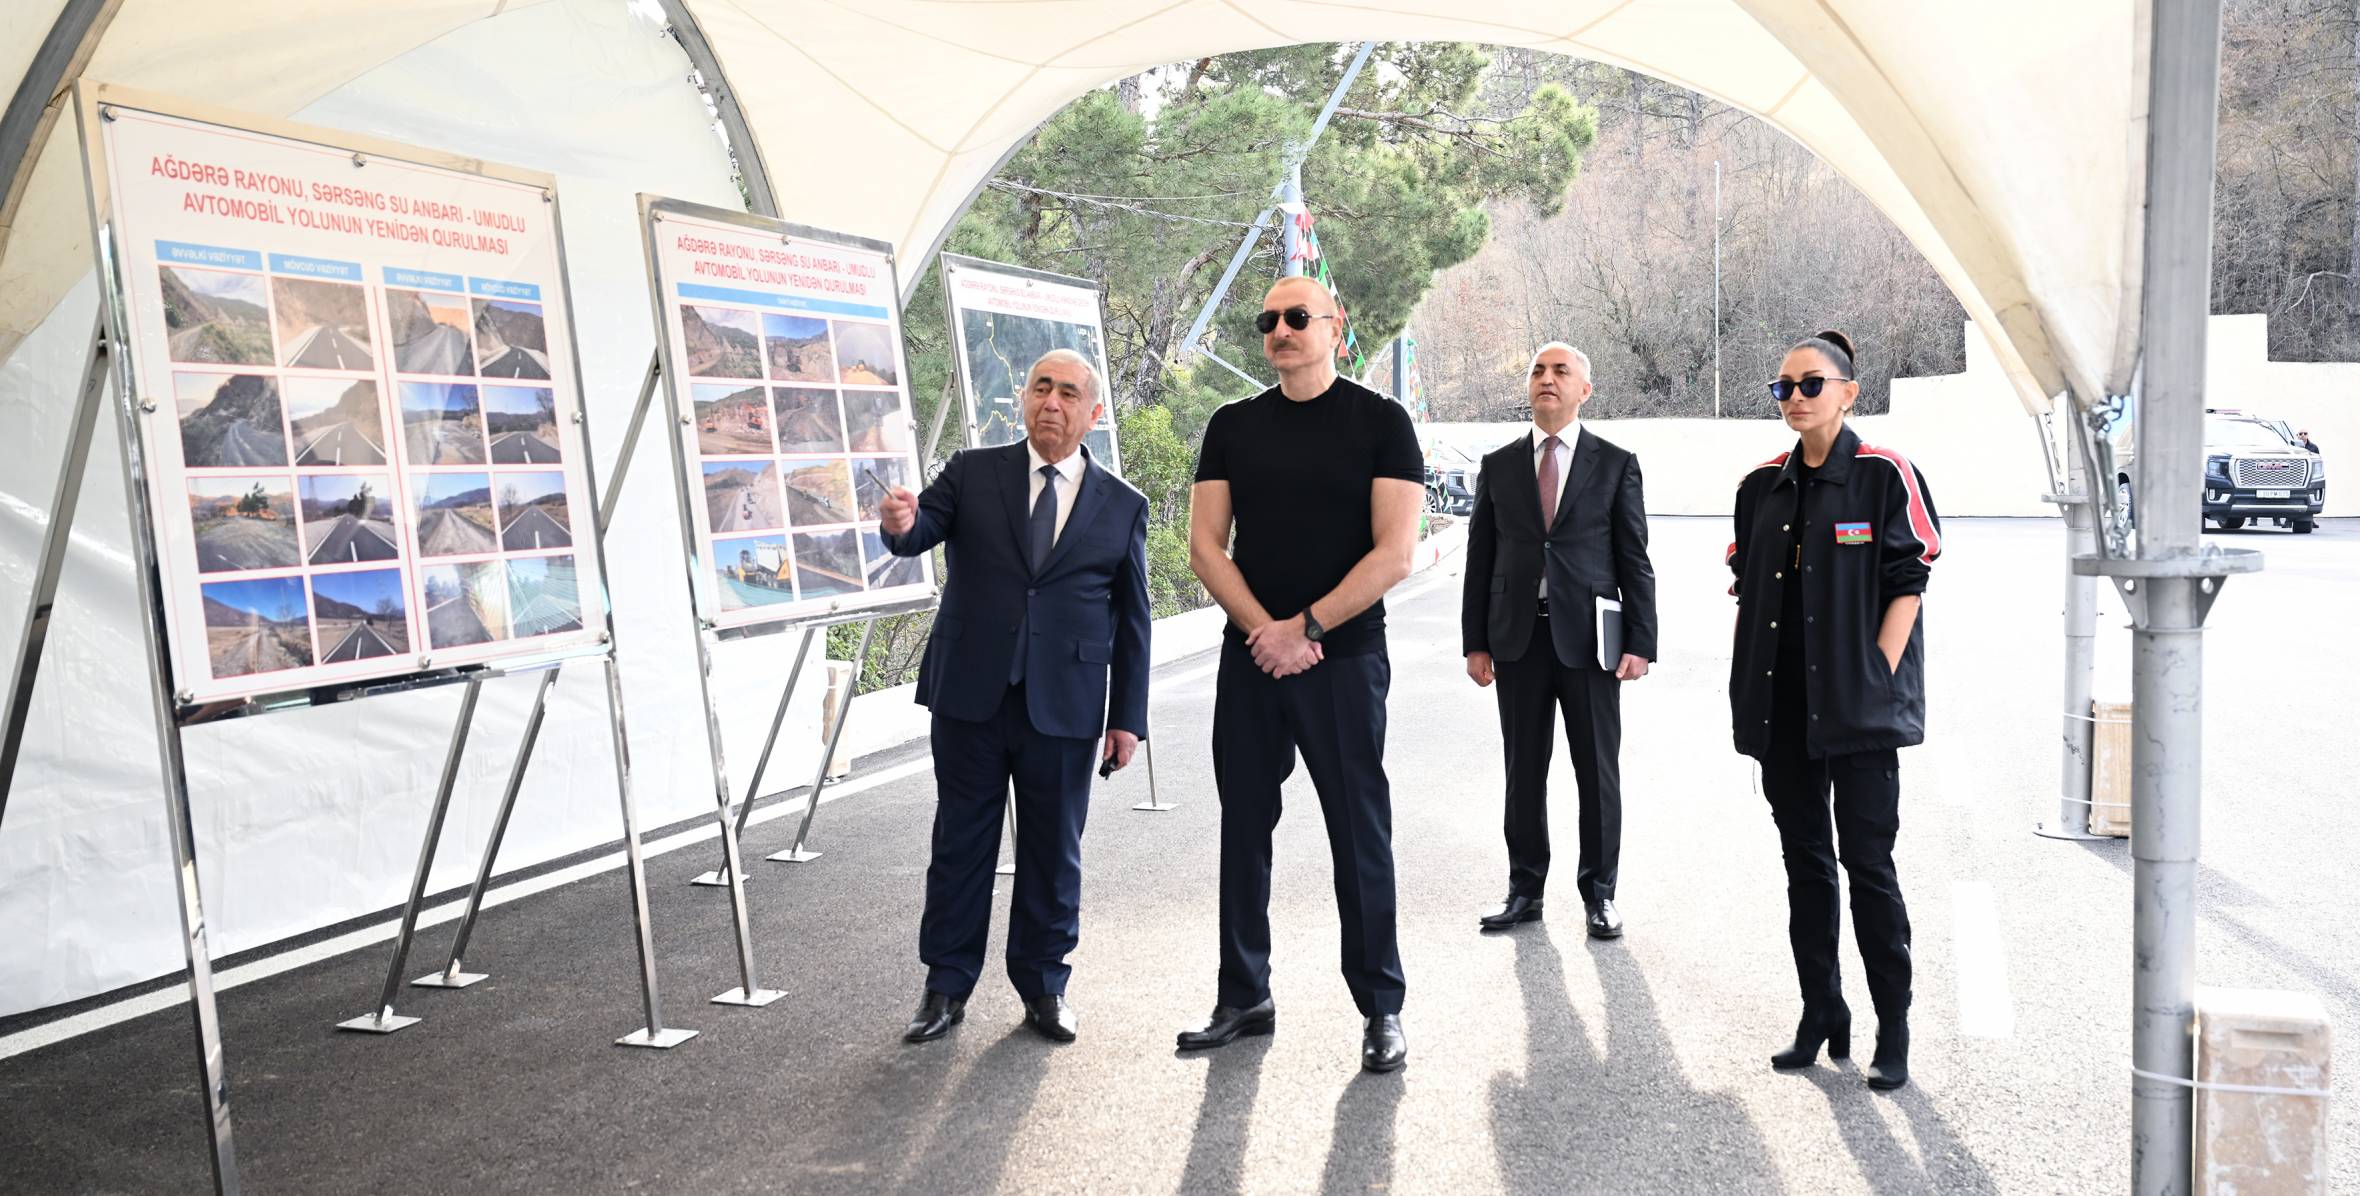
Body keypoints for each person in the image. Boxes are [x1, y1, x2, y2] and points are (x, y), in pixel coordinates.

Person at [1177, 275, 1425, 1073]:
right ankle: (1242, 994)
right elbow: (1206, 547)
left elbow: (1395, 552)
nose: (1279, 330)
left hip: (1343, 660)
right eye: (1268, 321)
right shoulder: (1231, 426)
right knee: (1243, 829)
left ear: (1334, 326)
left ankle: (1381, 1007)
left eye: (1296, 318)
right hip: (1252, 658)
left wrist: (1309, 628)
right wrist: (1266, 633)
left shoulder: (1382, 423)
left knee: (1359, 834)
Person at [879, 348, 1150, 1045]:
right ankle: (945, 986)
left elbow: (1135, 621)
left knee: (1053, 850)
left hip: (1065, 704)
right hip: (970, 694)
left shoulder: (1122, 506)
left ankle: (1044, 985)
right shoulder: (973, 473)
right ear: (1023, 399)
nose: (1049, 403)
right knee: (960, 843)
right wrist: (900, 524)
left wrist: (1127, 719)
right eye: (1039, 388)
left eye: (1067, 393)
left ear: (1093, 413)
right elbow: (917, 536)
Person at [1728, 330, 1940, 1092]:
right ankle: (1823, 1013)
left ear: (1849, 393)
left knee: (1869, 867)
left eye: (1810, 385)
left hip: (1859, 715)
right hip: (1784, 714)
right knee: (1805, 868)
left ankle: (1894, 1027)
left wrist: (1877, 675)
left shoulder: (1884, 475)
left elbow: (1907, 584)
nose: (1793, 399)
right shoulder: (1760, 487)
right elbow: (1751, 591)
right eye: (1782, 387)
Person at [1461, 342, 1658, 940]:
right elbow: (1481, 559)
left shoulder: (1616, 462)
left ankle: (1600, 894)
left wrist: (1641, 641)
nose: (1547, 380)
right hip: (1517, 640)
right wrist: (1476, 642)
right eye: (1538, 371)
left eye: (1560, 371)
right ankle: (1525, 890)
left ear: (1584, 391)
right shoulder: (1498, 465)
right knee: (1524, 769)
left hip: (1590, 641)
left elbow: (1634, 558)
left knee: (1596, 770)